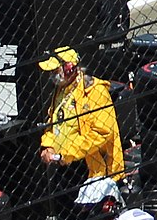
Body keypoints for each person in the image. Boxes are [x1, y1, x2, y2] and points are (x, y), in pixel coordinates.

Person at [39, 47, 125, 179]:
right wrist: (48, 146)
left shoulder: (95, 91)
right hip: (64, 163)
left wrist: (68, 153)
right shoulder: (60, 91)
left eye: (55, 71)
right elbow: (53, 123)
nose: (51, 75)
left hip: (93, 168)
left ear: (70, 68)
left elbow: (102, 132)